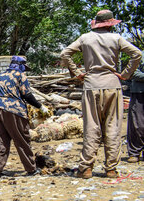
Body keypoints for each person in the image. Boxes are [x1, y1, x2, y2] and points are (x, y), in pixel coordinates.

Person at [61, 9, 142, 179]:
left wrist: (77, 72)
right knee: (113, 126)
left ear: (96, 23)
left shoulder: (85, 38)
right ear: (110, 24)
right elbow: (137, 54)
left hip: (91, 84)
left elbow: (65, 53)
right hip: (113, 84)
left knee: (92, 126)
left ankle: (86, 168)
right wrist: (126, 74)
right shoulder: (116, 38)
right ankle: (111, 168)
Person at [0, 56, 50, 178]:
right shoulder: (20, 75)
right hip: (13, 109)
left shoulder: (0, 76)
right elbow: (26, 95)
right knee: (22, 139)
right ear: (21, 65)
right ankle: (31, 169)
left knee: (0, 140)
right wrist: (40, 106)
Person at [127, 63, 144, 163]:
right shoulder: (139, 55)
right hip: (139, 92)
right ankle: (134, 152)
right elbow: (133, 72)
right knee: (137, 123)